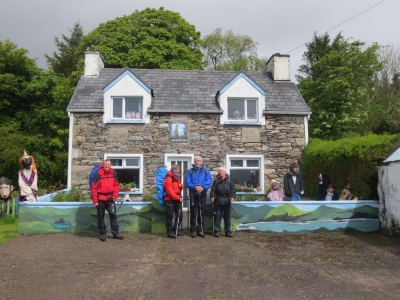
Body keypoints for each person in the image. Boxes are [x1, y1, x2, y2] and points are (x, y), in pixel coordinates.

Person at [90, 159, 124, 241]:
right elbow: (94, 188)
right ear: (103, 165)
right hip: (100, 199)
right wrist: (95, 201)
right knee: (100, 217)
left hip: (110, 199)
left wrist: (115, 196)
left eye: (108, 164)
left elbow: (117, 186)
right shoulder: (98, 175)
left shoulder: (113, 173)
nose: (107, 166)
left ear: (110, 165)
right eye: (105, 164)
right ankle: (102, 234)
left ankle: (115, 233)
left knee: (113, 216)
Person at [186, 156, 212, 238]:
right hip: (193, 194)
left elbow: (209, 180)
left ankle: (200, 230)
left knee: (202, 213)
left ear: (201, 162)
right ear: (194, 162)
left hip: (202, 194)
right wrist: (195, 187)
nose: (197, 162)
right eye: (196, 161)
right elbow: (188, 182)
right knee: (194, 213)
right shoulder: (190, 171)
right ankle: (193, 230)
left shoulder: (206, 171)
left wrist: (202, 187)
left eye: (199, 161)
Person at [210, 167, 235, 237]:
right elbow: (213, 191)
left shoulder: (230, 181)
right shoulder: (216, 181)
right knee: (217, 216)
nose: (220, 173)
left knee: (227, 216)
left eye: (221, 171)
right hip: (218, 200)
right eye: (219, 171)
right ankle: (217, 231)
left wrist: (232, 197)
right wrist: (212, 196)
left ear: (225, 172)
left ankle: (227, 231)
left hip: (227, 200)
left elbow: (233, 191)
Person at [163, 164, 184, 238]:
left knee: (180, 215)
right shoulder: (168, 178)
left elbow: (178, 190)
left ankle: (175, 229)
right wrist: (178, 198)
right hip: (170, 200)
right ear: (172, 171)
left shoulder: (177, 178)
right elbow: (170, 191)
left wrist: (181, 187)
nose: (177, 173)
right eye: (175, 172)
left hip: (177, 199)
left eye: (178, 172)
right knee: (170, 216)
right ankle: (169, 231)